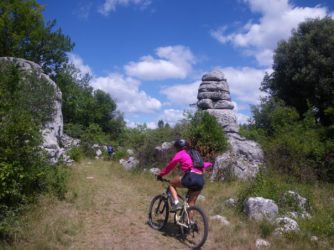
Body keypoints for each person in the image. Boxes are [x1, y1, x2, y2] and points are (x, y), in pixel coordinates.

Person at [157, 139, 212, 211]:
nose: (176, 149)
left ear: (178, 147)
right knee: (191, 204)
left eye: (176, 148)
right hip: (200, 179)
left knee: (171, 184)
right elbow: (203, 164)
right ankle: (190, 222)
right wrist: (210, 164)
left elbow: (170, 166)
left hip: (191, 177)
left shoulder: (181, 153)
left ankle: (176, 204)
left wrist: (160, 175)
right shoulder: (192, 155)